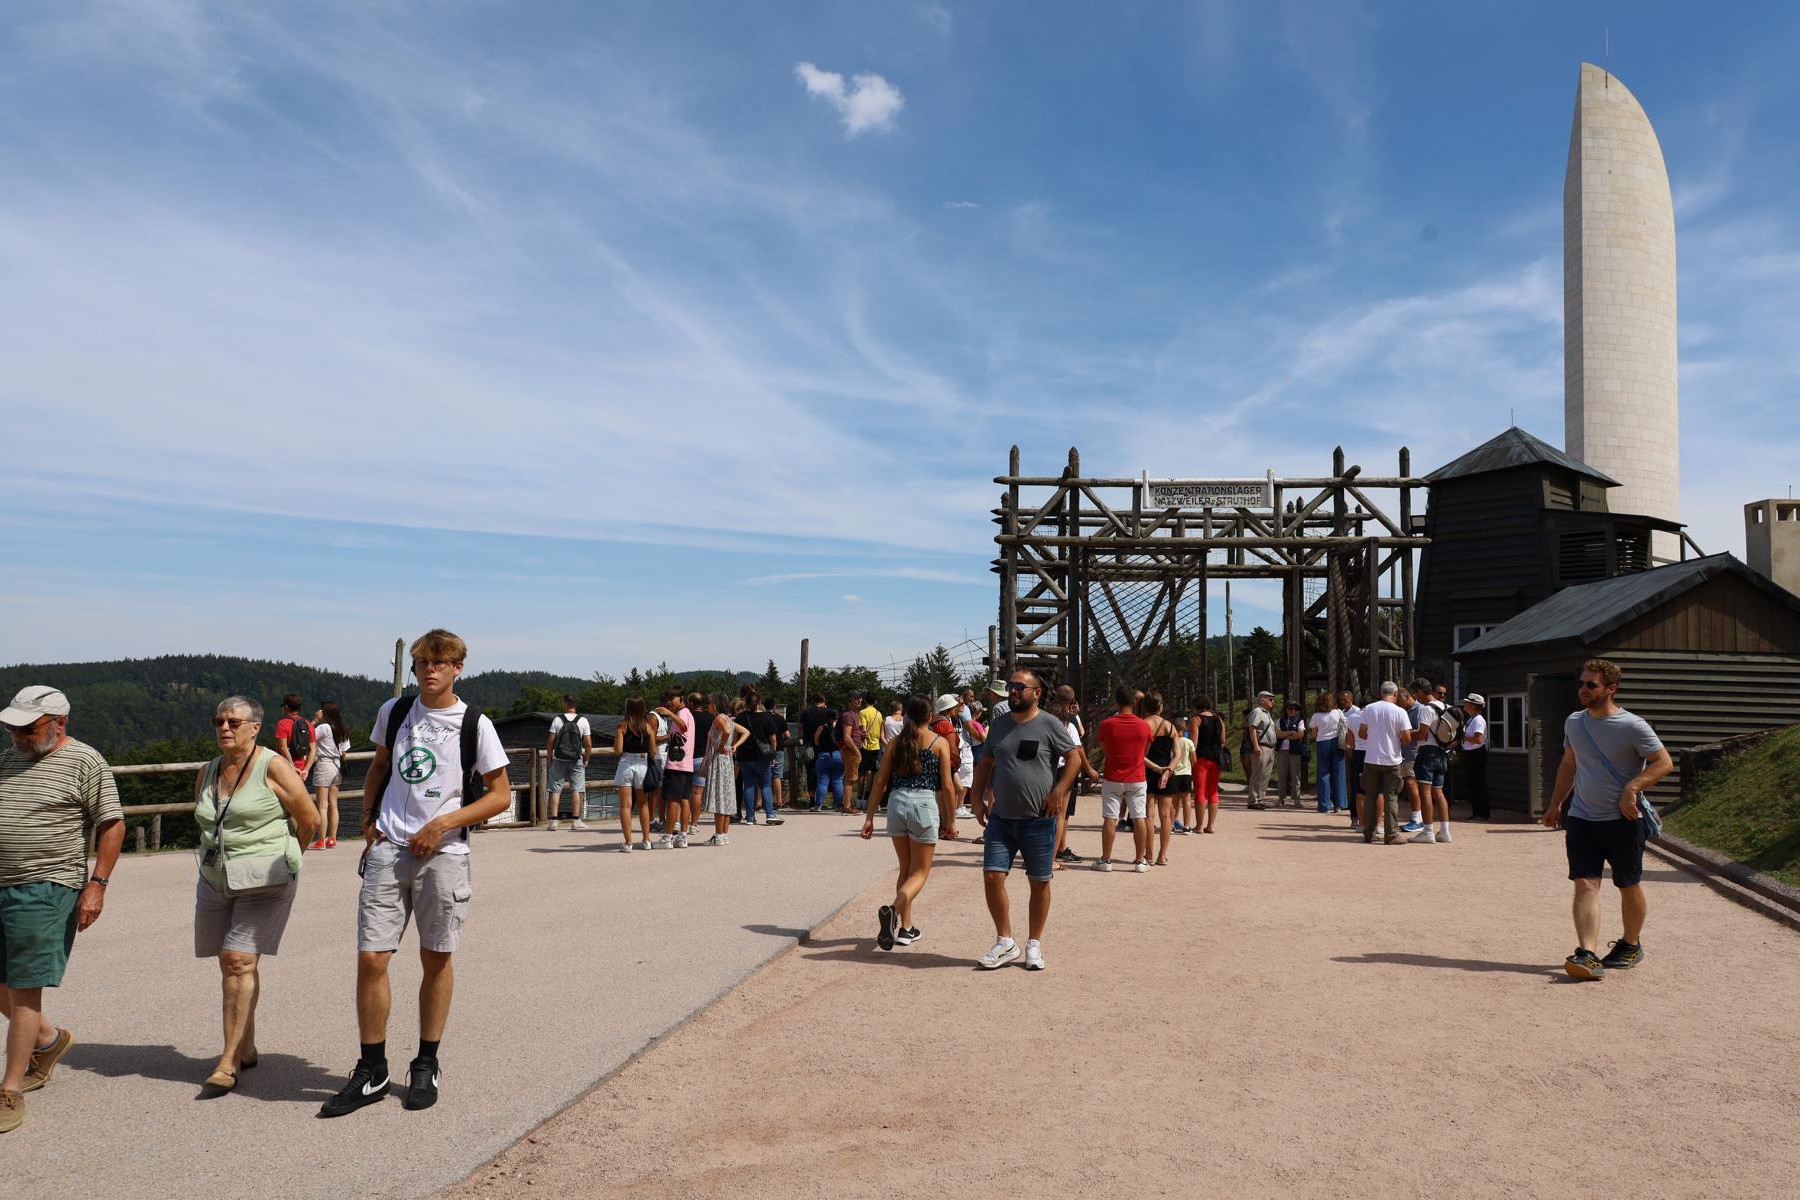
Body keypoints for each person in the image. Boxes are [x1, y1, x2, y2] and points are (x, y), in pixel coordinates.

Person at [319, 629, 511, 1118]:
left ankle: (426, 1062)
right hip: (389, 848)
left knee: (436, 959)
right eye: (423, 662)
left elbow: (500, 794)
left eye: (441, 662)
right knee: (372, 960)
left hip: (444, 855)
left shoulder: (474, 724)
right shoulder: (395, 711)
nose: (429, 670)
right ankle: (372, 1069)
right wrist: (366, 821)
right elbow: (381, 765)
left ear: (458, 668)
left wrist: (445, 821)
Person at [0, 687, 122, 1135]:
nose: (16, 735)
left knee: (24, 987)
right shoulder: (10, 758)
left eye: (26, 728)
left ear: (59, 722)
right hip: (2, 883)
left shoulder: (85, 761)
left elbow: (112, 823)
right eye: (11, 727)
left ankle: (10, 1087)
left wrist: (97, 885)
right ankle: (49, 1040)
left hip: (47, 887)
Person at [192, 696, 318, 1092]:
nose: (224, 728)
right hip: (216, 876)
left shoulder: (273, 766)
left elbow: (309, 819)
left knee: (239, 961)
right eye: (219, 721)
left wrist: (287, 855)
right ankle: (245, 1046)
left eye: (233, 721)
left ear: (254, 727)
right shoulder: (208, 770)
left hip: (265, 879)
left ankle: (228, 1062)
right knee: (231, 964)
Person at [1542, 660, 1673, 979]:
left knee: (1627, 884)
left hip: (1622, 820)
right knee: (1585, 883)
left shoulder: (1633, 725)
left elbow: (1663, 762)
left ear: (1610, 689)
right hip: (1582, 818)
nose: (1583, 690)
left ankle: (1630, 944)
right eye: (1582, 684)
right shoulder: (1574, 722)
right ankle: (1587, 953)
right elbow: (1569, 764)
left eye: (1591, 685)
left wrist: (1633, 786)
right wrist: (1555, 804)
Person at [967, 671, 1078, 970]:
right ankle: (1005, 942)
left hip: (1038, 820)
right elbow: (985, 763)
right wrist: (976, 798)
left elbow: (1075, 758)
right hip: (1002, 818)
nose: (1013, 692)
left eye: (1019, 687)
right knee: (992, 876)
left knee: (1039, 882)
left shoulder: (1050, 724)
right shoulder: (999, 725)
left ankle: (1034, 944)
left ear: (1037, 693)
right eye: (1011, 687)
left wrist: (1058, 791)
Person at [862, 696, 953, 950]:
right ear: (930, 716)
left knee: (905, 869)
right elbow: (946, 786)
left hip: (896, 803)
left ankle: (906, 928)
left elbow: (880, 782)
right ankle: (892, 910)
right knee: (920, 873)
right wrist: (951, 819)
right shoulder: (939, 742)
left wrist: (869, 817)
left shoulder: (895, 743)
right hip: (923, 804)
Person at [1094, 685, 1153, 872]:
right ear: (1134, 702)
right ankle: (1140, 860)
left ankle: (1106, 860)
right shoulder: (1144, 725)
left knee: (1110, 818)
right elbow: (1145, 752)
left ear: (1116, 701)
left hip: (1113, 776)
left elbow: (1105, 749)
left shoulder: (1107, 724)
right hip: (1137, 776)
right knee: (1139, 817)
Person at [1356, 683, 1413, 845]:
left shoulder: (1369, 709)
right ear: (1395, 693)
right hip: (1392, 760)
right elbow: (1407, 739)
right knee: (1391, 798)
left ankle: (1368, 833)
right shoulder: (1400, 711)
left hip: (1371, 759)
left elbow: (1361, 733)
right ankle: (1391, 834)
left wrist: (1375, 739)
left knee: (1370, 797)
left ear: (1381, 693)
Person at [1050, 687, 1092, 865]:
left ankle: (1038, 853)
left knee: (1044, 815)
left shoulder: (1042, 722)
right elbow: (1078, 748)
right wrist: (1089, 769)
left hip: (1045, 771)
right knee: (1060, 816)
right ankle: (1052, 856)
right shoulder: (1070, 725)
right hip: (1064, 771)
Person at [1407, 680, 1452, 844]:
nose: (1414, 697)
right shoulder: (1445, 706)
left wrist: (1406, 734)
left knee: (1425, 792)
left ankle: (1428, 831)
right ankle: (1445, 831)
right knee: (1438, 792)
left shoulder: (1427, 709)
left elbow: (1422, 735)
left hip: (1427, 753)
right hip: (1442, 753)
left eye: (1414, 694)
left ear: (1419, 692)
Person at [612, 697, 660, 851]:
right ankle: (646, 840)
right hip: (643, 763)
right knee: (643, 804)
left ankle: (628, 843)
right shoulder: (648, 726)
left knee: (625, 806)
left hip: (626, 762)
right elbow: (653, 750)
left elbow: (618, 750)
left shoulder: (622, 726)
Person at [701, 693, 749, 844]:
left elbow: (727, 732)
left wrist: (721, 745)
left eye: (709, 703)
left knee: (718, 796)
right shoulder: (729, 718)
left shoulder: (719, 718)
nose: (708, 705)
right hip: (727, 760)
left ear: (715, 704)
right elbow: (746, 732)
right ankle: (723, 835)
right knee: (726, 795)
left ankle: (718, 834)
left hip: (719, 759)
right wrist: (734, 745)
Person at [735, 685, 784, 827]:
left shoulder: (740, 717)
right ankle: (770, 814)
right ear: (759, 702)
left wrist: (737, 754)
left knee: (749, 785)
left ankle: (750, 817)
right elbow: (773, 739)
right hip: (762, 756)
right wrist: (772, 754)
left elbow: (736, 737)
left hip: (745, 755)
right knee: (765, 785)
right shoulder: (766, 717)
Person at [543, 696, 592, 834]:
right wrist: (586, 759)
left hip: (559, 758)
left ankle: (553, 820)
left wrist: (549, 757)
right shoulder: (583, 721)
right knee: (576, 789)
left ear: (565, 704)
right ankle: (576, 820)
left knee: (555, 789)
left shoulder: (557, 720)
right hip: (576, 759)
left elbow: (550, 742)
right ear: (576, 704)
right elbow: (588, 743)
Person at [654, 689, 696, 847]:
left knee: (672, 800)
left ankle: (667, 838)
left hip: (677, 763)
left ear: (681, 698)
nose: (670, 701)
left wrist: (669, 714)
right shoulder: (687, 713)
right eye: (668, 698)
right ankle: (682, 836)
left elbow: (683, 726)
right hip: (686, 764)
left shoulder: (682, 713)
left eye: (673, 698)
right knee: (684, 800)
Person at [1141, 693, 1179, 866]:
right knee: (1166, 816)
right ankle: (1162, 855)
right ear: (1161, 707)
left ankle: (1148, 855)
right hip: (1167, 772)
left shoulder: (1143, 725)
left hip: (1148, 771)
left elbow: (1140, 755)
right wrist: (1168, 771)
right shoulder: (1171, 727)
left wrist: (1156, 769)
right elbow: (1177, 754)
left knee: (1149, 814)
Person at [309, 701, 351, 848]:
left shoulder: (324, 727)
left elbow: (308, 736)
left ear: (324, 712)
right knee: (333, 804)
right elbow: (344, 753)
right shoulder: (343, 729)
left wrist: (314, 720)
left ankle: (321, 840)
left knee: (322, 805)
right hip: (337, 766)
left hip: (324, 764)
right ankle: (332, 838)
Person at [1186, 699, 1224, 834]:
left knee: (1200, 791)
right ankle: (1211, 826)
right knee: (1213, 791)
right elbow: (1223, 740)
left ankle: (1199, 826)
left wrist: (1189, 759)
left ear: (1196, 707)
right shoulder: (1218, 718)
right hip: (1216, 758)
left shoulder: (1196, 720)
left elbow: (1193, 743)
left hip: (1201, 758)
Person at [1308, 693, 1346, 815]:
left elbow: (1314, 734)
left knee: (1323, 773)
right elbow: (1345, 725)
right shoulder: (1338, 712)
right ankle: (1339, 805)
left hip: (1322, 743)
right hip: (1337, 742)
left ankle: (1324, 805)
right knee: (1339, 773)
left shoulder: (1316, 716)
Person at [1243, 691, 1277, 810]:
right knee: (1258, 774)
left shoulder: (1267, 713)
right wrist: (1256, 745)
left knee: (1265, 775)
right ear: (1262, 700)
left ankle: (1261, 799)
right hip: (1261, 746)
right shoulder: (1257, 712)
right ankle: (1253, 800)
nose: (1273, 701)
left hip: (1270, 748)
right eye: (1270, 699)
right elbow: (1253, 728)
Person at [1459, 694, 1491, 820]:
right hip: (1470, 753)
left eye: (1467, 703)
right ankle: (1476, 813)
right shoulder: (1471, 719)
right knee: (1472, 784)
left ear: (1473, 705)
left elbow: (1478, 739)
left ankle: (1482, 814)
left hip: (1476, 753)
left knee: (1478, 783)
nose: (1465, 705)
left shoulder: (1478, 720)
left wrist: (1461, 736)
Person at [1339, 690, 1366, 829]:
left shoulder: (1354, 715)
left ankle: (1357, 819)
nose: (1343, 702)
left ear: (1352, 699)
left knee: (1357, 787)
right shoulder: (1344, 712)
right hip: (1364, 753)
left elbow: (1350, 740)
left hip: (1355, 752)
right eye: (1341, 700)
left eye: (1345, 700)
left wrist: (1350, 751)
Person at [812, 697, 845, 811]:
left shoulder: (821, 727)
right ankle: (838, 804)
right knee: (838, 780)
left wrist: (820, 745)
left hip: (824, 754)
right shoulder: (840, 729)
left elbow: (816, 740)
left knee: (822, 781)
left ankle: (819, 805)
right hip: (837, 754)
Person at [274, 693, 316, 783]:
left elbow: (282, 748)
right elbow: (313, 749)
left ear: (286, 707)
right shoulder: (308, 724)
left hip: (284, 768)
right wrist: (306, 769)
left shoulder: (282, 724)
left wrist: (292, 767)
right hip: (302, 771)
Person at [799, 695, 833, 799]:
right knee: (825, 773)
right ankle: (823, 799)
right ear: (823, 702)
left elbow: (801, 727)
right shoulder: (828, 712)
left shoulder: (805, 712)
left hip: (809, 745)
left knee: (810, 772)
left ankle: (812, 799)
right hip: (825, 746)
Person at [837, 693, 866, 812]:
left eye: (860, 698)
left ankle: (846, 804)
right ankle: (847, 806)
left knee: (850, 777)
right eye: (856, 698)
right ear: (849, 701)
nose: (859, 700)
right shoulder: (848, 715)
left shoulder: (855, 714)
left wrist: (861, 735)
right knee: (850, 778)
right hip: (850, 750)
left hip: (852, 748)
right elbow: (847, 737)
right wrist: (857, 752)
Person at [1275, 700, 1307, 807]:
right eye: (1290, 709)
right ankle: (1281, 798)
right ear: (1286, 710)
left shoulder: (1300, 721)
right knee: (1282, 775)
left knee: (1296, 775)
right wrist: (1290, 733)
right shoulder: (1280, 720)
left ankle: (1296, 799)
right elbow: (1278, 734)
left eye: (1295, 709)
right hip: (1282, 750)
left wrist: (1285, 735)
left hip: (1295, 751)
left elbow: (1300, 734)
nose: (1293, 711)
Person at [855, 692, 883, 809]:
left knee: (861, 773)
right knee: (871, 773)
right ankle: (867, 798)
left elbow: (863, 730)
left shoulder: (862, 712)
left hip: (865, 746)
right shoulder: (879, 714)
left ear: (865, 701)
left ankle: (859, 798)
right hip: (876, 746)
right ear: (875, 701)